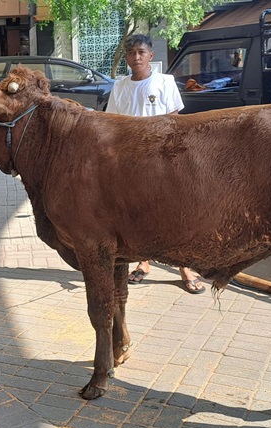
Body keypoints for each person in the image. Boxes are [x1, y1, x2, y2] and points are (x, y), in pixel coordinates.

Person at [106, 34, 206, 294]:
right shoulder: (120, 86)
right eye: (131, 53)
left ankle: (184, 266)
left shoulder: (165, 82)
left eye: (141, 52)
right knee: (138, 212)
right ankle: (143, 262)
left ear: (151, 56)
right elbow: (113, 123)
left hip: (162, 159)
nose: (136, 57)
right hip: (130, 162)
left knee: (173, 211)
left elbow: (174, 120)